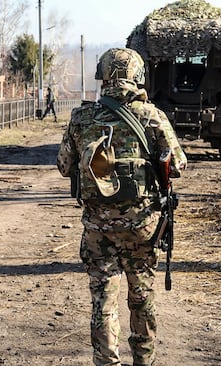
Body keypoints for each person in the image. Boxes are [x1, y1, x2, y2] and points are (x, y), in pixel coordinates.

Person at [57, 48, 187, 366]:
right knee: (141, 298)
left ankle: (107, 362)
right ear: (138, 76)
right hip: (141, 227)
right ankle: (144, 360)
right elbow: (179, 164)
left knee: (103, 300)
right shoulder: (152, 116)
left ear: (102, 76)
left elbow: (63, 166)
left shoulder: (81, 117)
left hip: (97, 229)